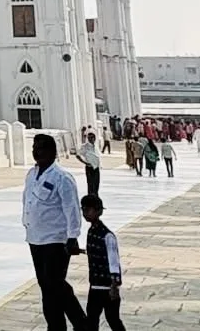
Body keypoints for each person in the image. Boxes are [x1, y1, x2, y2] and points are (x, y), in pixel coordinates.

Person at [21, 133, 85, 331]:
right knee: (45, 286)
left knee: (54, 284)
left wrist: (73, 236)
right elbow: (28, 202)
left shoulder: (62, 177)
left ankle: (81, 323)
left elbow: (71, 208)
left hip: (56, 239)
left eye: (40, 148)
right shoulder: (32, 174)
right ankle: (56, 325)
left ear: (52, 151)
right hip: (35, 238)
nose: (36, 152)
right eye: (34, 147)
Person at [81, 193, 126, 331]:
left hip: (107, 287)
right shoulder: (91, 232)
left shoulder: (107, 236)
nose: (85, 213)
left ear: (98, 211)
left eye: (88, 210)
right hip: (94, 285)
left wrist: (114, 285)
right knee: (92, 318)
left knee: (112, 319)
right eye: (83, 209)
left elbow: (113, 261)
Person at [77, 130, 101, 198]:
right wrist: (85, 162)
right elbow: (78, 155)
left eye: (93, 137)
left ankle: (96, 200)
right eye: (90, 138)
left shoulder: (96, 146)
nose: (92, 139)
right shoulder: (85, 146)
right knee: (91, 185)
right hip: (89, 167)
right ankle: (91, 201)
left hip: (96, 167)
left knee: (96, 185)